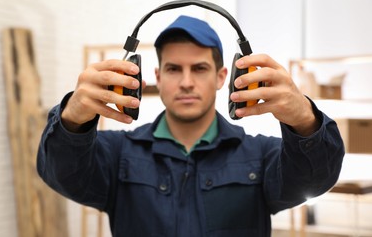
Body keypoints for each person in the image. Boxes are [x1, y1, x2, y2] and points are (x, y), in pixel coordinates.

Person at [37, 15, 344, 237]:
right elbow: (61, 174)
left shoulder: (260, 156)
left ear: (223, 77)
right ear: (158, 76)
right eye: (173, 69)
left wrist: (305, 121)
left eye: (199, 68)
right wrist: (72, 122)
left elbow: (314, 180)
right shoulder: (118, 154)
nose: (186, 82)